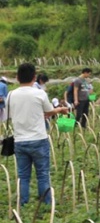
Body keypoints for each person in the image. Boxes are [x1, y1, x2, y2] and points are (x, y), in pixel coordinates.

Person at [8, 63, 69, 205]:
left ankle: (22, 203)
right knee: (42, 174)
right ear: (34, 77)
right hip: (38, 139)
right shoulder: (40, 93)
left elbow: (11, 114)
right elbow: (48, 111)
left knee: (23, 176)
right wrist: (60, 110)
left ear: (17, 78)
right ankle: (47, 204)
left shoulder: (11, 95)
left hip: (19, 140)